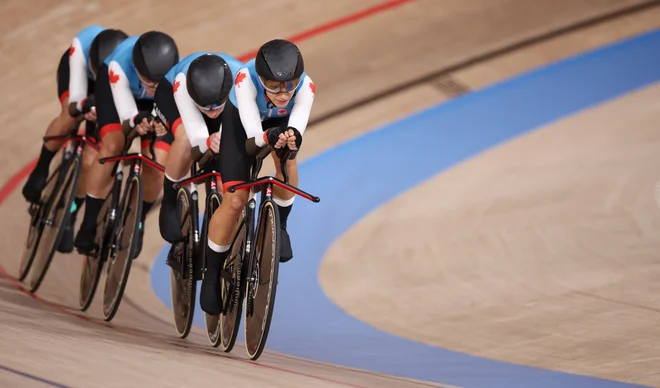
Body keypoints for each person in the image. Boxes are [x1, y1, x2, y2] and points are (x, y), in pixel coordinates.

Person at [199, 39, 315, 315]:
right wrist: (267, 136)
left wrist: (290, 138)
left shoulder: (306, 87)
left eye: (290, 84)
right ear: (261, 78)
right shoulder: (244, 80)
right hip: (242, 124)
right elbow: (252, 139)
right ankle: (212, 274)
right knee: (236, 199)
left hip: (278, 124)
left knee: (288, 158)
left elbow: (296, 126)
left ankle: (281, 225)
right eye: (273, 85)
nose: (284, 93)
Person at [21, 26, 129, 253]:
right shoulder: (81, 48)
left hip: (109, 90)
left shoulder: (126, 66)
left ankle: (69, 212)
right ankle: (40, 171)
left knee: (91, 159)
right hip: (78, 80)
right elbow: (74, 103)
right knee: (69, 118)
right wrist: (83, 105)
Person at [73, 30, 179, 258]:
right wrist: (136, 120)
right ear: (137, 69)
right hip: (116, 94)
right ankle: (89, 223)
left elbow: (173, 111)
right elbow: (126, 112)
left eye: (157, 83)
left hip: (154, 105)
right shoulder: (118, 66)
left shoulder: (175, 76)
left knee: (157, 166)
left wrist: (160, 123)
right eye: (148, 81)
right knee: (112, 147)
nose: (151, 87)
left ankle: (137, 222)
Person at [153, 52, 245, 244]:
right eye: (207, 108)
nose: (212, 113)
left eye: (217, 107)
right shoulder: (182, 85)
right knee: (185, 140)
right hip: (172, 95)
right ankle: (169, 204)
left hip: (224, 101)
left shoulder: (243, 82)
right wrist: (207, 142)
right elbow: (197, 138)